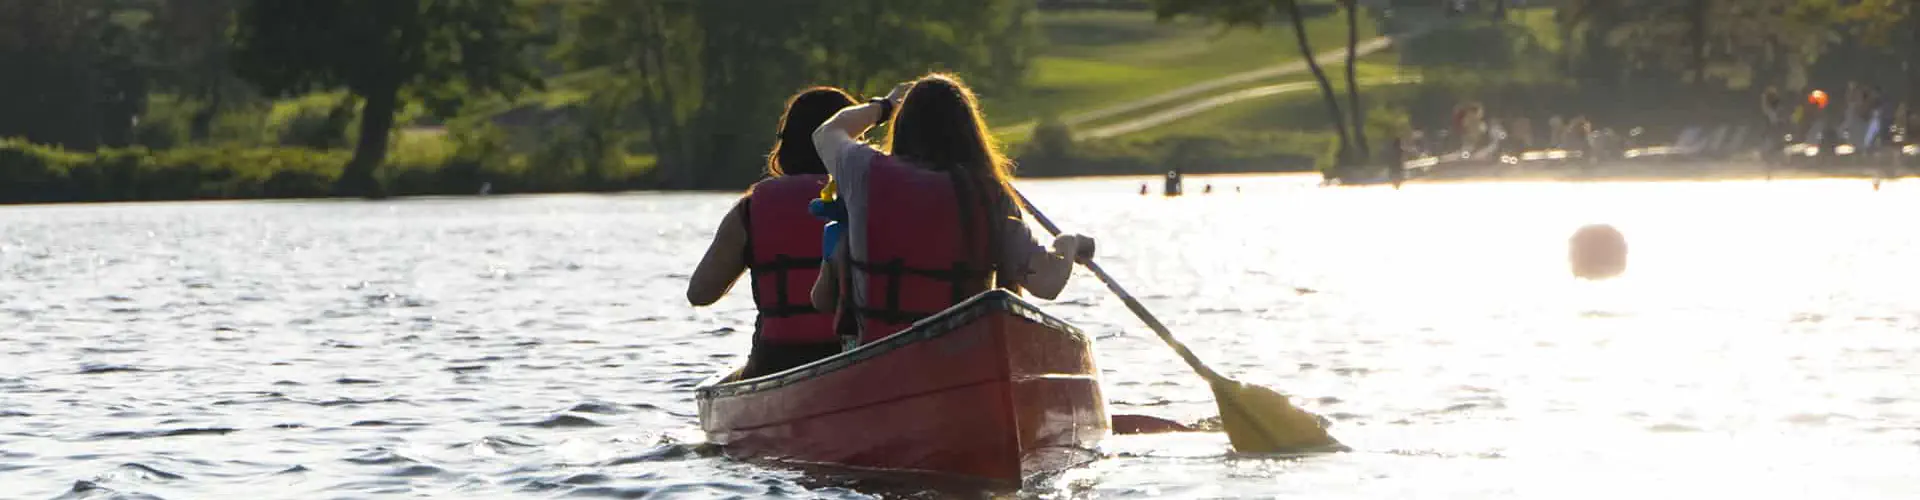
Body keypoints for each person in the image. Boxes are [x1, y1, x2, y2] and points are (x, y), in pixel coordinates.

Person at [810, 74, 1095, 347]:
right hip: (962, 357)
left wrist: (885, 106)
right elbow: (1047, 283)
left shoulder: (863, 171)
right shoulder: (989, 193)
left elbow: (826, 132)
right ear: (970, 134)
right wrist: (1069, 242)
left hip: (881, 354)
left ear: (904, 127)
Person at [687, 87, 857, 379]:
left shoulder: (752, 208)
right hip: (858, 356)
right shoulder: (869, 198)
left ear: (786, 145)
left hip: (776, 361)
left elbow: (700, 293)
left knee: (730, 379)